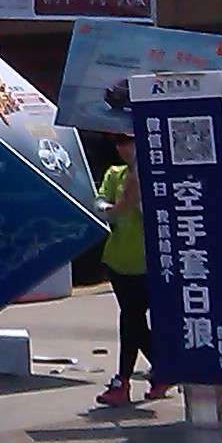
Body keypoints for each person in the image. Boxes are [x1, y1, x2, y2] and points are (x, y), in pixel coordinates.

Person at [92, 134, 160, 408]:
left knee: (132, 319)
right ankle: (161, 369)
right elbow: (99, 202)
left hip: (149, 261)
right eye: (118, 143)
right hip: (119, 258)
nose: (123, 148)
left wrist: (138, 199)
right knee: (132, 319)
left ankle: (125, 379)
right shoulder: (115, 173)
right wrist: (114, 207)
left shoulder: (156, 174)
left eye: (128, 142)